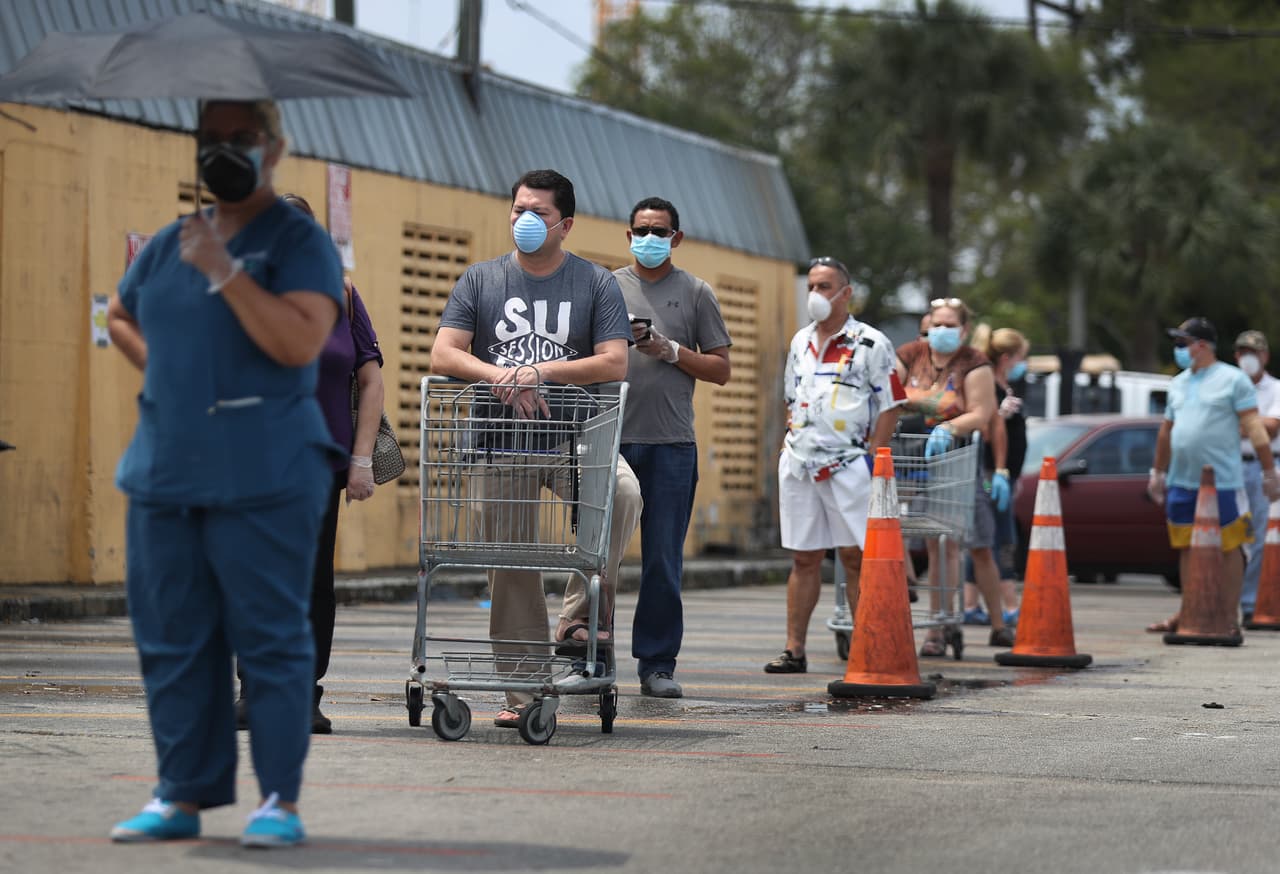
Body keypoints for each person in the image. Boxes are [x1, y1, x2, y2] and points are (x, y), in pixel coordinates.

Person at [104, 100, 343, 846]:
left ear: (274, 147)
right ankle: (182, 792)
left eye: (241, 138)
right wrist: (169, 375)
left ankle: (278, 801)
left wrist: (226, 271)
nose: (223, 151)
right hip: (166, 467)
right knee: (172, 634)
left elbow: (300, 342)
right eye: (210, 139)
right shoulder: (173, 239)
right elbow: (121, 314)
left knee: (268, 635)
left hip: (265, 468)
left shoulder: (300, 242)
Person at [431, 169, 643, 727]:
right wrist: (501, 377)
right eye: (518, 209)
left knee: (623, 494)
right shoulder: (480, 280)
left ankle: (577, 615)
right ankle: (524, 694)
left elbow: (614, 360)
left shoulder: (594, 283)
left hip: (574, 439)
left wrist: (540, 373)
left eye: (539, 213)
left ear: (564, 225)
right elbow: (444, 353)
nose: (524, 220)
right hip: (500, 443)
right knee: (509, 566)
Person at [234, 193, 385, 735]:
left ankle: (304, 694)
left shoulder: (343, 296)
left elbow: (370, 380)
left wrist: (361, 460)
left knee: (312, 580)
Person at [610, 197, 732, 698]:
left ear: (676, 238)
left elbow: (720, 369)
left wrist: (672, 350)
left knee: (662, 560)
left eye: (659, 231)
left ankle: (657, 663)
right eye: (641, 230)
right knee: (599, 557)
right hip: (613, 442)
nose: (649, 239)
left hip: (672, 445)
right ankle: (588, 654)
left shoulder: (696, 293)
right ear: (628, 235)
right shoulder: (607, 287)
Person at [764, 257, 905, 674]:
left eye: (825, 286)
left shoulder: (871, 343)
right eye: (811, 285)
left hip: (850, 465)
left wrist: (876, 458)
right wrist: (787, 443)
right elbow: (790, 398)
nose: (815, 294)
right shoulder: (800, 341)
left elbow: (891, 404)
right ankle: (794, 649)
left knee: (856, 557)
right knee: (804, 558)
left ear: (846, 293)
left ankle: (867, 648)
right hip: (800, 464)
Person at [1146, 318, 1280, 633]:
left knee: (1231, 545)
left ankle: (1229, 617)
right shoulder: (1178, 383)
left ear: (1202, 345)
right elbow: (1167, 431)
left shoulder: (1233, 380)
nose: (1178, 349)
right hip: (1183, 478)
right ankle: (1190, 612)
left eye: (1183, 343)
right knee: (1186, 545)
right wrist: (1158, 472)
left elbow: (1255, 428)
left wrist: (1268, 472)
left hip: (1224, 480)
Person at [895, 298, 1013, 655]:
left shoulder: (974, 363)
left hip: (958, 459)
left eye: (950, 325)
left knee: (978, 546)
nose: (941, 331)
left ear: (964, 330)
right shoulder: (911, 355)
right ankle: (937, 627)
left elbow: (985, 415)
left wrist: (950, 429)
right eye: (937, 324)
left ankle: (998, 623)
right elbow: (888, 391)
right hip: (915, 457)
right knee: (932, 541)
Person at [962, 325, 1028, 627]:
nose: (1022, 365)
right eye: (1020, 358)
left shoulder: (1003, 386)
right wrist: (1000, 415)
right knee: (997, 537)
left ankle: (972, 602)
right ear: (1006, 358)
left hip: (1003, 474)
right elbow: (986, 431)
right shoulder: (990, 386)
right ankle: (1008, 604)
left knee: (985, 539)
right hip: (989, 472)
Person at [1232, 331, 1280, 624]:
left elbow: (1271, 429)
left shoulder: (1276, 389)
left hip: (1265, 467)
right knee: (1233, 537)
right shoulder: (1229, 387)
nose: (1248, 358)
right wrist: (1254, 422)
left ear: (1265, 356)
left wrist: (1241, 421)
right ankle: (1231, 604)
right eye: (1243, 352)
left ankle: (1252, 604)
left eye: (1254, 352)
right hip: (1233, 466)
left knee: (1263, 537)